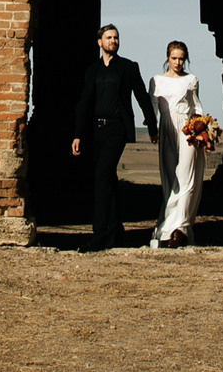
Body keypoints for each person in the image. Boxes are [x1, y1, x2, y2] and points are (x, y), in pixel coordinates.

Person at [70, 22, 155, 251]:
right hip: (96, 130)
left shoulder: (128, 67)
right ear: (100, 42)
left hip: (117, 129)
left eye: (116, 38)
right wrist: (77, 134)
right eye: (109, 38)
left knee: (101, 177)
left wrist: (151, 124)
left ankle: (99, 235)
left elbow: (141, 96)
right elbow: (84, 103)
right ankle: (116, 232)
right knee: (108, 180)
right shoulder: (92, 70)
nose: (113, 41)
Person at [147, 39, 206, 249]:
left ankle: (179, 228)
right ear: (167, 58)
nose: (178, 62)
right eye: (174, 58)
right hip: (166, 128)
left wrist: (201, 131)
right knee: (170, 177)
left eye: (181, 59)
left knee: (186, 176)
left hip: (187, 129)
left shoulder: (191, 80)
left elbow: (197, 108)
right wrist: (152, 130)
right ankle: (167, 227)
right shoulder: (156, 81)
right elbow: (152, 108)